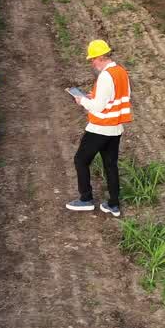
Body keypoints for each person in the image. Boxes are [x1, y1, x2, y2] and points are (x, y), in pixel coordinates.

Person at [67, 39, 132, 218]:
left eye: (93, 59)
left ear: (101, 57)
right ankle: (113, 204)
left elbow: (98, 107)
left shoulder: (105, 76)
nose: (92, 63)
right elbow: (114, 97)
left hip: (100, 128)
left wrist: (82, 100)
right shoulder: (121, 72)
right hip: (115, 129)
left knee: (80, 160)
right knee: (110, 165)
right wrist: (92, 96)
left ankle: (86, 199)